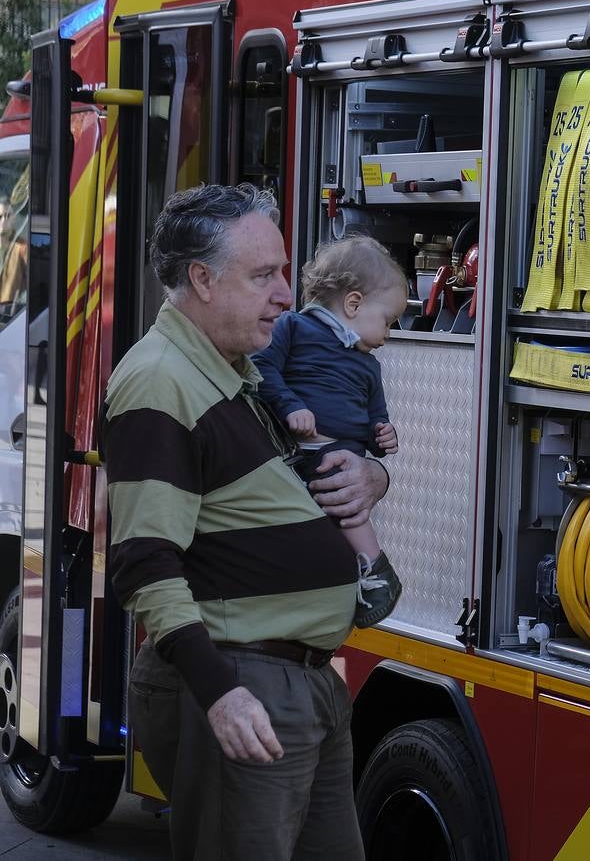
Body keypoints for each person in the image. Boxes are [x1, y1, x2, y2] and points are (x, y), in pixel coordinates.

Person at [104, 184, 388, 861]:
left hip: (299, 682)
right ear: (201, 279)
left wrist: (372, 477)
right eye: (265, 275)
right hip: (245, 684)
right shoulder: (160, 382)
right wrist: (221, 695)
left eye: (284, 272)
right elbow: (144, 561)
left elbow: (290, 483)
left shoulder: (233, 370)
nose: (288, 295)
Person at [252, 236, 404, 628]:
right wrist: (291, 406)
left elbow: (376, 417)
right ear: (353, 304)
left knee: (346, 504)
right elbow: (262, 369)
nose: (389, 333)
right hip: (303, 447)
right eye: (387, 320)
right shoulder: (293, 327)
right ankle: (372, 570)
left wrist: (382, 437)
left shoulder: (369, 367)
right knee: (332, 510)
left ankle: (372, 572)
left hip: (346, 452)